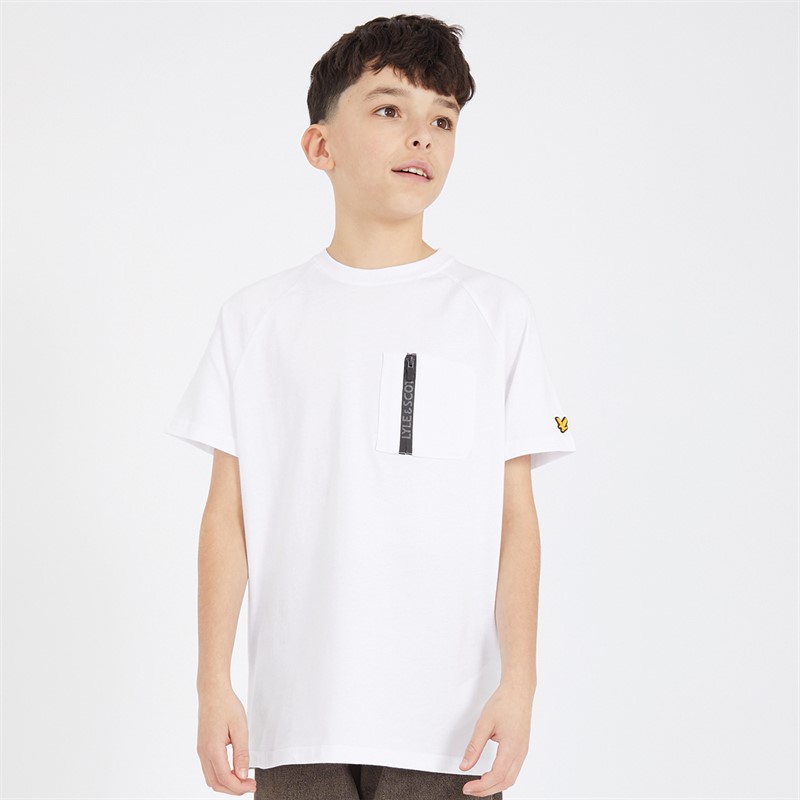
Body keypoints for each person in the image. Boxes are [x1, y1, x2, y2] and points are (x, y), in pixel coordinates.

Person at [165, 13, 576, 800]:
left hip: (448, 728)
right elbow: (227, 517)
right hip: (298, 721)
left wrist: (520, 684)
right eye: (389, 109)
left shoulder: (492, 312)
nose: (421, 135)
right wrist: (212, 684)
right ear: (321, 145)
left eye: (443, 120)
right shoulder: (257, 318)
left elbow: (515, 517)